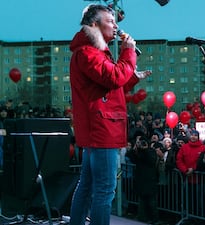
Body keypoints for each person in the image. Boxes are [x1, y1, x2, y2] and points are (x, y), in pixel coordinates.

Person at [68, 4, 150, 225]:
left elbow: (110, 87)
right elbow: (113, 77)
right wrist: (128, 51)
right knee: (105, 190)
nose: (116, 26)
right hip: (102, 130)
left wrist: (132, 77)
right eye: (110, 21)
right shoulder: (88, 52)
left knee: (86, 186)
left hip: (98, 128)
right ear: (94, 24)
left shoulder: (91, 51)